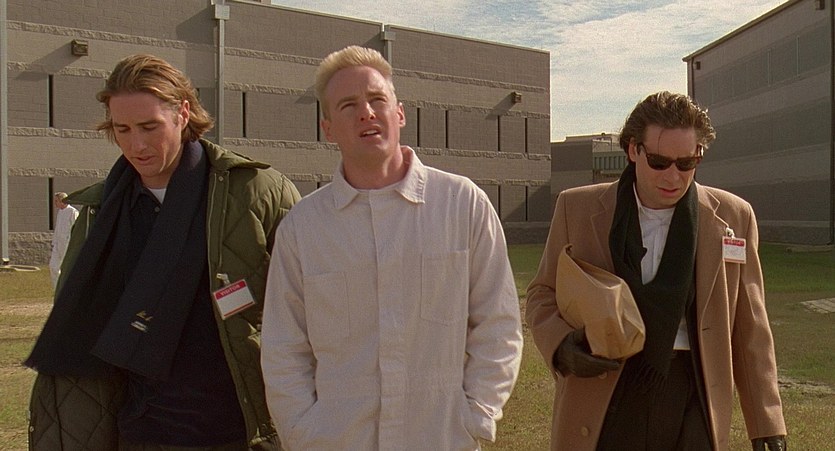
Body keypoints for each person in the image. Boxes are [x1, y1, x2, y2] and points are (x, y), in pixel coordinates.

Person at [25, 54, 300, 450]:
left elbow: (311, 315)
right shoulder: (100, 212)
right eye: (122, 129)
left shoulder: (258, 192)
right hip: (141, 433)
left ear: (183, 113)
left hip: (243, 432)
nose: (136, 145)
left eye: (149, 126)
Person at [261, 45, 523, 450]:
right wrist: (303, 431)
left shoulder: (462, 205)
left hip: (441, 438)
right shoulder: (303, 228)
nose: (366, 113)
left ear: (399, 113)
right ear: (327, 128)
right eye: (348, 105)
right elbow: (284, 347)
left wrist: (477, 414)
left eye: (376, 99)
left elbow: (498, 324)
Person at [526, 91, 787, 451]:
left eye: (687, 163)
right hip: (607, 383)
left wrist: (766, 421)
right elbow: (542, 294)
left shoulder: (733, 216)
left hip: (694, 388)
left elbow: (750, 324)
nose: (673, 177)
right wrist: (561, 345)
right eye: (660, 162)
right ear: (633, 150)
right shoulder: (577, 208)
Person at [48, 192, 78, 289]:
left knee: (67, 268)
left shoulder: (72, 212)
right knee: (53, 267)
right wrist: (54, 243)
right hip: (58, 245)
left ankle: (68, 289)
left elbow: (76, 229)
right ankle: (57, 289)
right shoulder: (60, 212)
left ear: (62, 201)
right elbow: (58, 229)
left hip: (67, 244)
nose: (55, 203)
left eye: (56, 201)